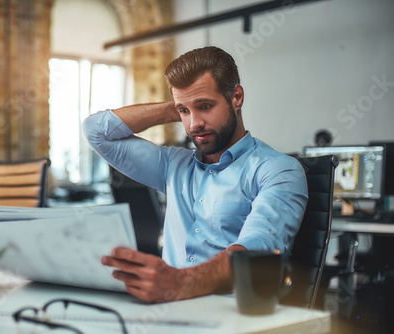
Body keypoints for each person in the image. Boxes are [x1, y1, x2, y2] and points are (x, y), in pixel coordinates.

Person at [82, 46, 308, 303]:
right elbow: (96, 131)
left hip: (234, 321)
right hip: (169, 313)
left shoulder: (278, 169)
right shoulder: (173, 165)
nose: (193, 124)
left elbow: (254, 252)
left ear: (237, 97)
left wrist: (180, 283)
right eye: (185, 112)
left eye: (205, 106)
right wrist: (177, 107)